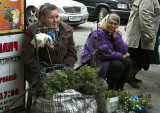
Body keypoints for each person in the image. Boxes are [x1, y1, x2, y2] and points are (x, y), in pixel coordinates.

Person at [21, 3, 77, 112]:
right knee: (42, 87)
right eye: (51, 17)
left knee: (69, 86)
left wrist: (63, 68)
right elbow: (27, 56)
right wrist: (43, 71)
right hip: (38, 71)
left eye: (57, 16)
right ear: (42, 18)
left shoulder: (66, 30)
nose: (56, 20)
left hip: (61, 68)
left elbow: (72, 54)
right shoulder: (33, 30)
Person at [80, 13, 132, 90]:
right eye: (110, 23)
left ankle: (118, 89)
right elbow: (104, 54)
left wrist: (116, 37)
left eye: (115, 24)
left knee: (127, 62)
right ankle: (109, 90)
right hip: (93, 61)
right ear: (105, 21)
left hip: (106, 58)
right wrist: (122, 56)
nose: (112, 26)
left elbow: (124, 50)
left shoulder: (114, 33)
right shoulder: (97, 33)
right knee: (118, 65)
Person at [126, 0, 160, 88]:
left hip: (140, 34)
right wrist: (149, 35)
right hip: (141, 35)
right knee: (140, 58)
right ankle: (130, 77)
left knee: (137, 57)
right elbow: (145, 16)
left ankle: (130, 76)